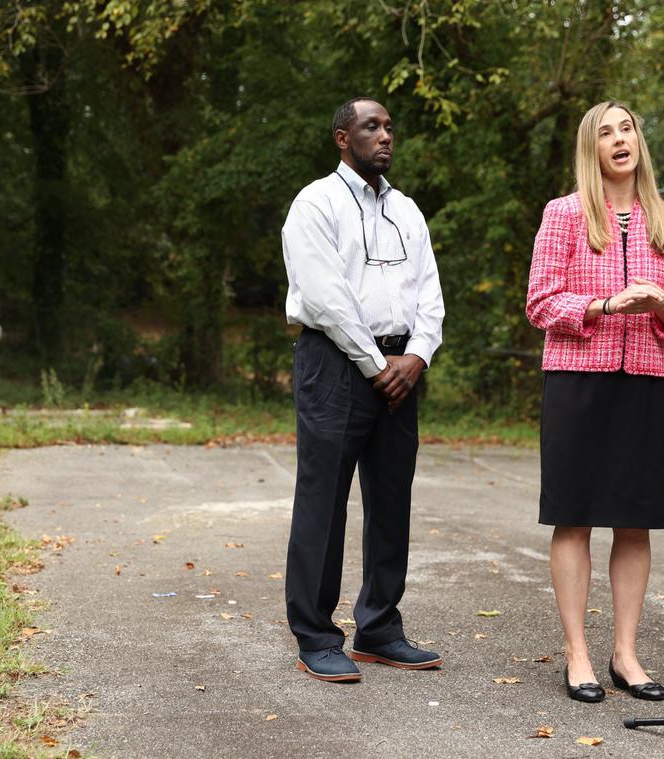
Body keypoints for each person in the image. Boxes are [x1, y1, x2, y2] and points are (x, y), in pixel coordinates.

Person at [526, 100, 664, 702]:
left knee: (635, 519)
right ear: (590, 148)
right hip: (578, 380)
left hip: (646, 379)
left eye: (627, 129)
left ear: (639, 143)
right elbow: (541, 303)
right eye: (606, 132)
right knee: (574, 517)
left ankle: (626, 654)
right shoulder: (564, 213)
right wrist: (605, 306)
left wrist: (661, 307)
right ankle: (577, 655)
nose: (620, 139)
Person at [281, 97, 445, 682]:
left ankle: (379, 627)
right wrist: (378, 364)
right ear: (342, 138)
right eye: (371, 127)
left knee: (391, 498)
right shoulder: (316, 203)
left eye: (389, 127)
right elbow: (325, 296)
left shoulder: (406, 210)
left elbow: (429, 291)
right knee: (323, 500)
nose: (385, 136)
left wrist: (418, 355)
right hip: (337, 364)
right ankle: (317, 635)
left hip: (401, 367)